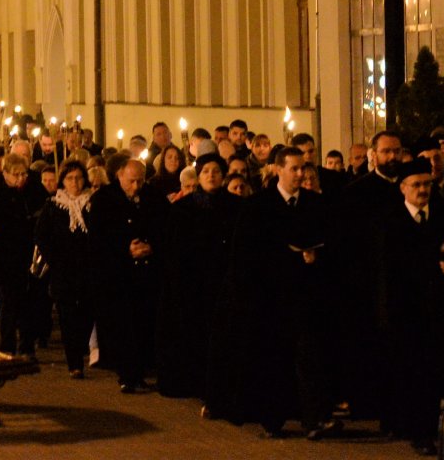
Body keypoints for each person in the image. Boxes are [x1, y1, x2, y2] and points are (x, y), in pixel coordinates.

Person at [232, 147, 336, 438]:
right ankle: (272, 417)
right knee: (273, 359)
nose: (301, 174)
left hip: (306, 297)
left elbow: (331, 242)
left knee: (310, 359)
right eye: (294, 169)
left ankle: (314, 417)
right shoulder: (258, 205)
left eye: (303, 168)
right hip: (271, 298)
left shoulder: (315, 204)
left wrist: (316, 257)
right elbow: (247, 253)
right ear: (278, 169)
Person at [371, 160, 444, 451]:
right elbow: (383, 273)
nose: (423, 190)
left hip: (439, 310)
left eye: (427, 184)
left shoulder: (443, 217)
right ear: (403, 188)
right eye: (416, 185)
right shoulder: (389, 221)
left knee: (437, 371)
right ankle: (418, 432)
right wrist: (387, 313)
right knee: (412, 374)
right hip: (405, 312)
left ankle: (437, 430)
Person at [156, 155, 238, 400]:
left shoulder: (236, 207)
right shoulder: (183, 209)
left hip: (223, 280)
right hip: (193, 282)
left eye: (215, 171)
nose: (211, 176)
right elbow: (173, 248)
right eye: (205, 172)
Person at [93, 157, 164, 393]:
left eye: (140, 181)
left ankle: (140, 370)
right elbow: (98, 237)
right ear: (120, 176)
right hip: (118, 275)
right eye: (132, 181)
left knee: (144, 323)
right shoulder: (104, 200)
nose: (136, 186)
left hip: (147, 273)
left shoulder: (153, 197)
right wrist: (125, 249)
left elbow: (165, 226)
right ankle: (126, 373)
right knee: (122, 327)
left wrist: (151, 245)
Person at [34, 161, 101, 377]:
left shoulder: (93, 204)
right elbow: (41, 235)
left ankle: (81, 346)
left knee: (87, 313)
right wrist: (54, 258)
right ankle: (74, 363)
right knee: (67, 315)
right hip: (63, 269)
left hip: (89, 268)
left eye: (79, 177)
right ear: (63, 181)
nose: (75, 182)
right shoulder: (53, 206)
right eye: (70, 178)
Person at [0, 155, 38, 355]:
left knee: (29, 304)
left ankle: (27, 345)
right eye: (16, 175)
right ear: (5, 174)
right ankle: (7, 346)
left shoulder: (31, 194)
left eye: (24, 174)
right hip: (5, 257)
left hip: (28, 256)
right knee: (9, 304)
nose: (20, 178)